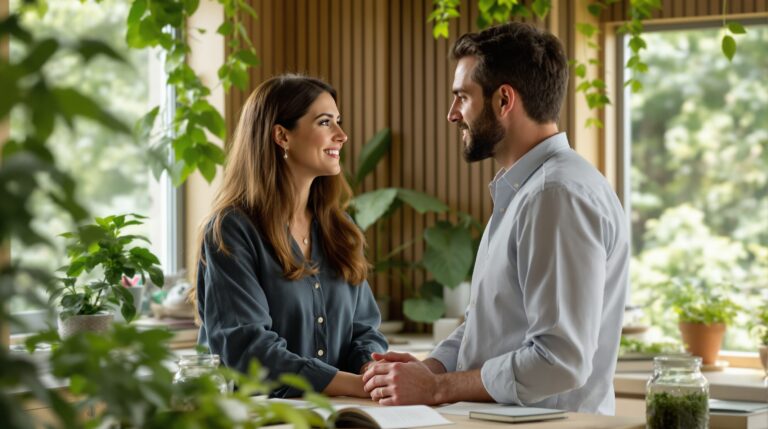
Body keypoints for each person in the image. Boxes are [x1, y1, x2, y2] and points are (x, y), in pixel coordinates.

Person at [362, 22, 629, 415]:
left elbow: (559, 361)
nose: (452, 114)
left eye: (462, 97)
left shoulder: (554, 196)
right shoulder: (526, 192)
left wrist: (437, 388)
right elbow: (485, 327)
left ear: (504, 100)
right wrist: (429, 369)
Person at [192, 74, 388, 398]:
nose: (342, 135)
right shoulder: (231, 230)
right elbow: (251, 352)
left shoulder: (340, 228)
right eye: (325, 122)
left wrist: (371, 371)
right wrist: (359, 386)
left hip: (342, 412)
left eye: (338, 122)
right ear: (282, 135)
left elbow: (365, 330)